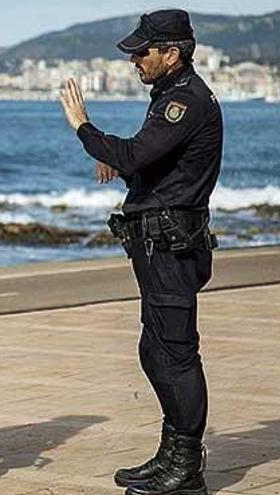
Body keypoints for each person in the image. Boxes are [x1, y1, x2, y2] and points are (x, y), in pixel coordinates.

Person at [59, 9, 222, 495]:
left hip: (171, 247)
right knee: (154, 350)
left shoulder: (186, 102)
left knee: (175, 353)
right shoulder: (171, 97)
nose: (134, 59)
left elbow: (134, 154)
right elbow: (161, 167)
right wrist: (124, 167)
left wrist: (84, 128)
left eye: (141, 51)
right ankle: (172, 453)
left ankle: (186, 467)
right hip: (158, 244)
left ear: (171, 53)